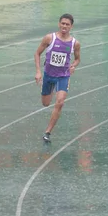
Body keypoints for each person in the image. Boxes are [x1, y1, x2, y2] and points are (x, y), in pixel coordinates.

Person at [34, 14, 81, 142]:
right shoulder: (50, 38)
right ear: (59, 24)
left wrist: (73, 66)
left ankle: (47, 132)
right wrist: (38, 72)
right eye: (63, 23)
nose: (64, 26)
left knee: (60, 102)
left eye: (67, 24)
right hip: (49, 75)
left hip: (63, 76)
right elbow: (37, 53)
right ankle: (49, 90)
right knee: (46, 103)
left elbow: (77, 59)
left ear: (71, 26)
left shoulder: (74, 43)